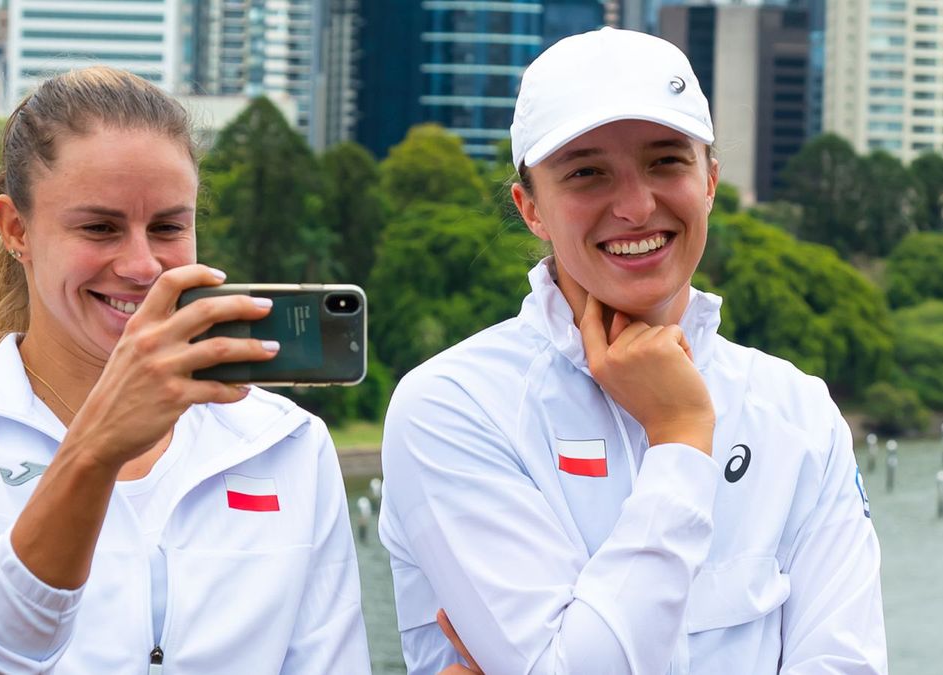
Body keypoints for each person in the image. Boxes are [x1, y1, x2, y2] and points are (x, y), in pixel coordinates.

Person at [379, 28, 886, 674]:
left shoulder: (800, 413)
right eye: (587, 171)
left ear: (710, 180)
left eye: (666, 161)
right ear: (530, 206)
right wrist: (680, 435)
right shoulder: (454, 408)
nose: (636, 205)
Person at [0, 67, 370, 674]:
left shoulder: (283, 441)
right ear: (16, 228)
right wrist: (95, 449)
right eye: (98, 227)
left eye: (169, 227)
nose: (141, 264)